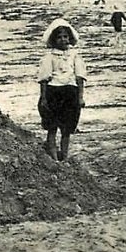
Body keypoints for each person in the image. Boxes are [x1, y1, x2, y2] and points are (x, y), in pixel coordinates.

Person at [37, 18, 87, 161]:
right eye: (59, 37)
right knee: (52, 128)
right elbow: (44, 79)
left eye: (65, 37)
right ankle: (53, 157)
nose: (63, 40)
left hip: (70, 93)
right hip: (54, 93)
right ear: (54, 40)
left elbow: (80, 77)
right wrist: (44, 98)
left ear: (70, 38)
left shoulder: (75, 55)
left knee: (67, 129)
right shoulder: (49, 57)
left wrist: (80, 97)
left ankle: (64, 157)